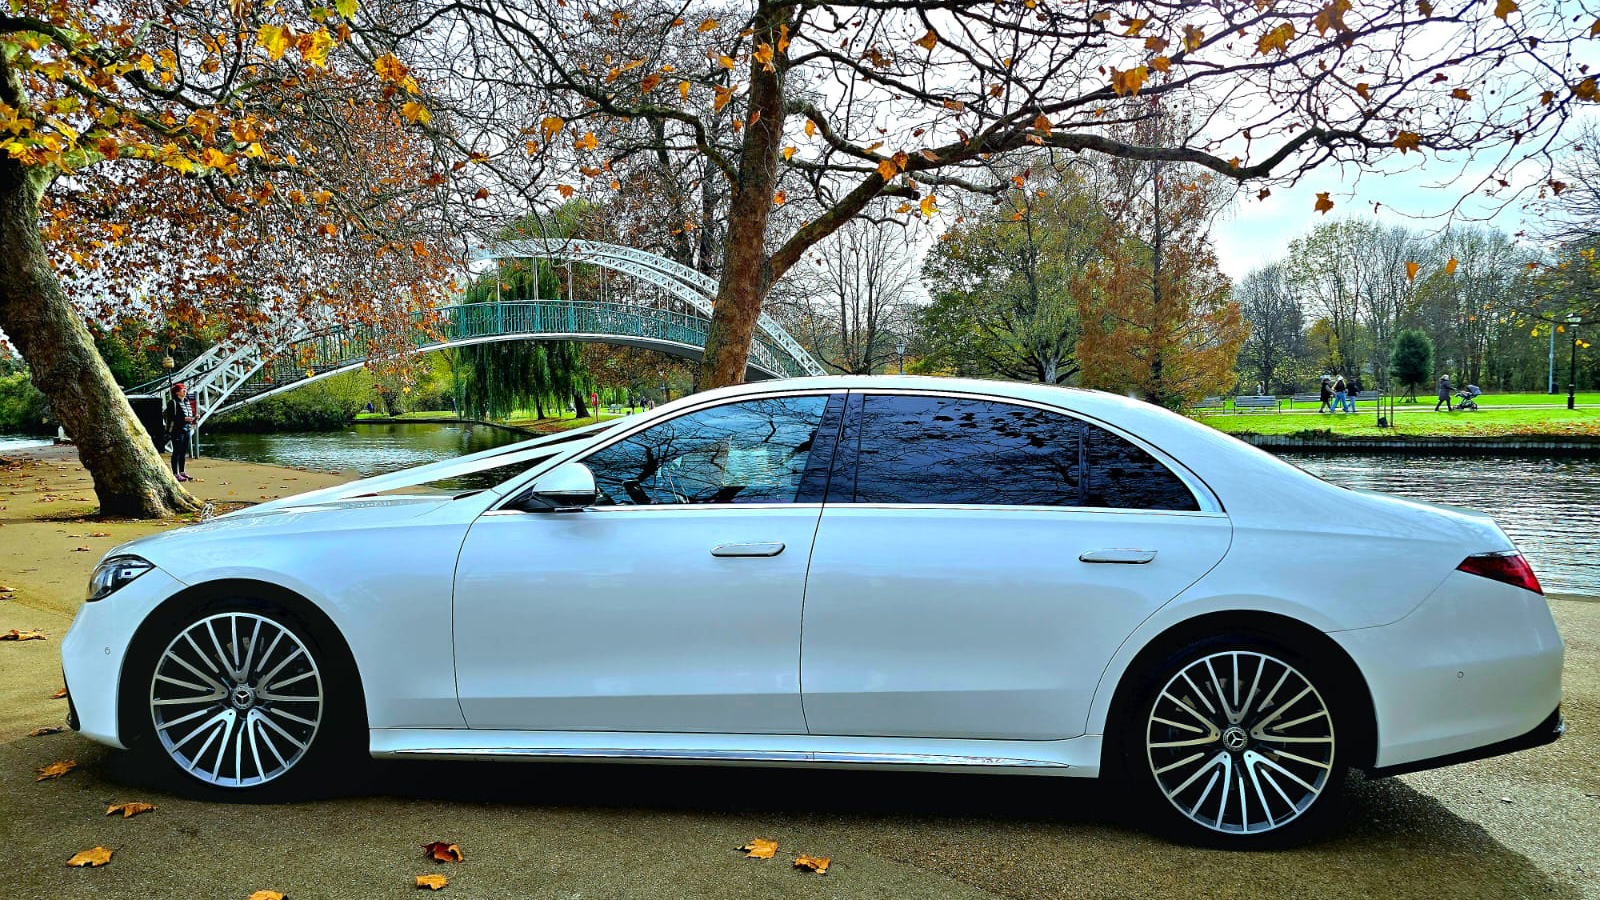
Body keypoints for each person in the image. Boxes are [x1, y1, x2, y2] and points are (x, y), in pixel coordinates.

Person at [163, 382, 198, 481]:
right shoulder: (172, 403)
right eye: (183, 390)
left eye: (185, 390)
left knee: (183, 452)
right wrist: (183, 419)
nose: (185, 391)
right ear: (177, 392)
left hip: (186, 429)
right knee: (176, 452)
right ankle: (175, 473)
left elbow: (188, 415)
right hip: (177, 430)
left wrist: (194, 418)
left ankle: (182, 471)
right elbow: (170, 417)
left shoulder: (186, 401)